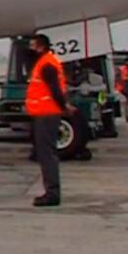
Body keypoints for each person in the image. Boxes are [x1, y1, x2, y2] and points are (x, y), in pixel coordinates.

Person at [26, 34, 75, 208]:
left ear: (40, 47)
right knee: (45, 153)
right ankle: (51, 191)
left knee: (47, 155)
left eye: (32, 46)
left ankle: (52, 193)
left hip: (47, 115)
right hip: (44, 114)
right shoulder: (46, 62)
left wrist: (64, 107)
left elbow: (55, 90)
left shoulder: (47, 64)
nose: (29, 49)